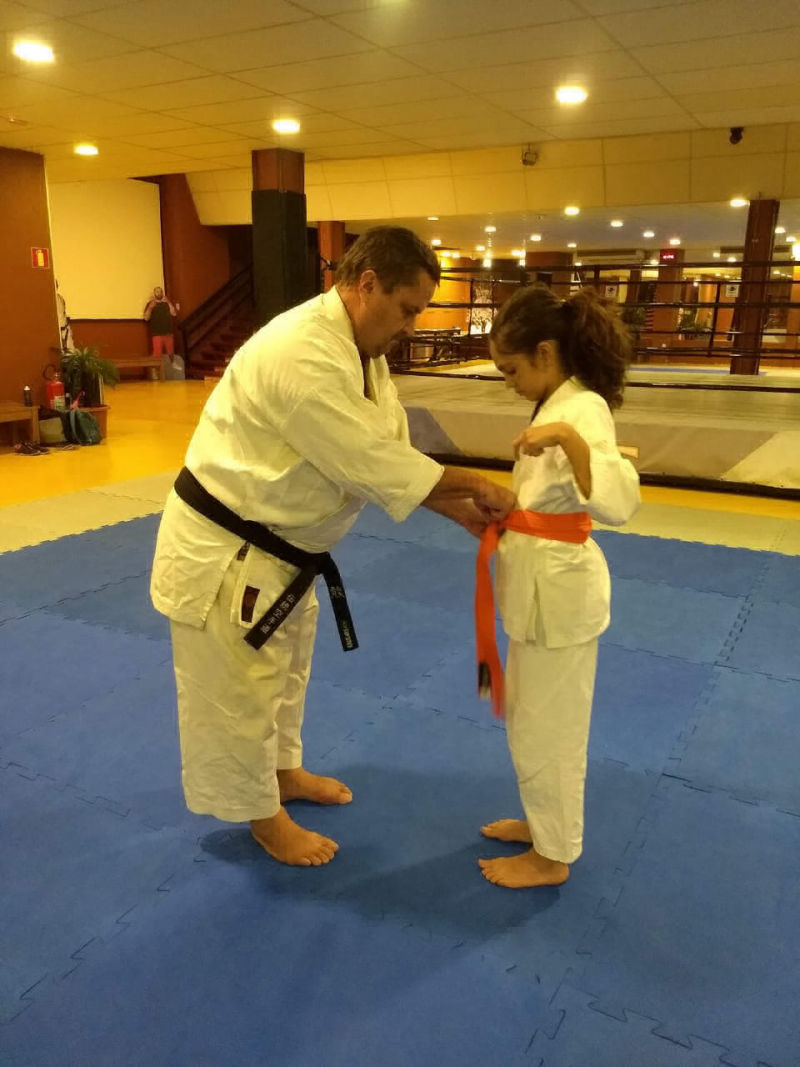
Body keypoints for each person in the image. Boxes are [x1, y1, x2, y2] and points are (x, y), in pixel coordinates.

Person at [150, 226, 515, 869]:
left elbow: (388, 453)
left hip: (286, 550)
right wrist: (478, 487)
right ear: (367, 284)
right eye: (407, 309)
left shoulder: (362, 350)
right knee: (240, 691)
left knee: (286, 673)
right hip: (231, 551)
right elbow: (366, 458)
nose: (410, 325)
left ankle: (283, 772)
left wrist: (456, 509)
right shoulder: (301, 351)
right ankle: (262, 817)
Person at [476, 284, 640, 890]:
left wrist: (571, 441)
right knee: (529, 719)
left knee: (553, 728)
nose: (510, 383)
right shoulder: (557, 402)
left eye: (511, 370)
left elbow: (619, 502)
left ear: (545, 353)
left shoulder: (582, 410)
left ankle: (554, 855)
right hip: (539, 589)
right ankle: (543, 825)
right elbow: (550, 497)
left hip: (561, 597)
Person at [144, 286, 179, 358]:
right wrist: (150, 308)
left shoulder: (167, 303)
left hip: (168, 332)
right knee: (157, 356)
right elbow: (146, 318)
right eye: (157, 291)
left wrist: (169, 302)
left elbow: (174, 314)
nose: (159, 293)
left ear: (162, 293)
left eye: (160, 291)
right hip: (157, 333)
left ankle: (171, 365)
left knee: (171, 355)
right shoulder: (150, 304)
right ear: (154, 293)